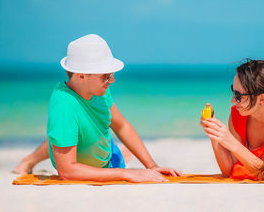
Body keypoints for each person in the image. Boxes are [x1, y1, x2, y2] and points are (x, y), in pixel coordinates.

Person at [15, 34, 182, 182]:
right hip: (96, 160)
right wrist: (127, 174)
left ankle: (121, 153)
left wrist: (151, 165)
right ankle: (29, 160)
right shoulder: (64, 106)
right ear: (81, 76)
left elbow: (121, 125)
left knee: (69, 135)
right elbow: (66, 171)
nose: (113, 80)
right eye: (106, 76)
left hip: (106, 153)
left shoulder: (100, 90)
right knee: (63, 134)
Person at [200, 59, 264, 180]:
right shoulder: (238, 114)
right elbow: (230, 170)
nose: (233, 101)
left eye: (238, 96)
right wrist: (214, 134)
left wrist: (232, 143)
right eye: (233, 92)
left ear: (261, 99)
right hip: (258, 166)